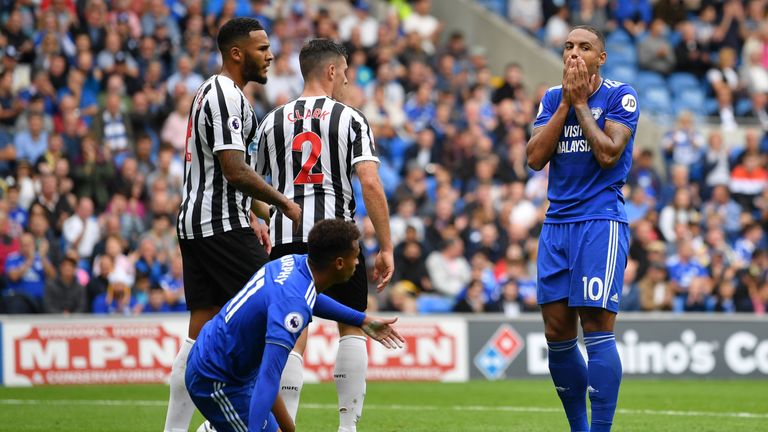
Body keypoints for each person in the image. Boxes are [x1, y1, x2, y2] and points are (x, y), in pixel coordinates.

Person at [164, 17, 302, 432]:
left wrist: (254, 214)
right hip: (217, 227)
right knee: (276, 317)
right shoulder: (224, 94)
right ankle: (263, 425)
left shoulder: (220, 93)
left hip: (203, 224)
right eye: (262, 48)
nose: (271, 55)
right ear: (236, 53)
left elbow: (229, 176)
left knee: (199, 332)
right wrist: (283, 204)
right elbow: (234, 169)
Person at [254, 39, 393, 431]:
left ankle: (286, 424)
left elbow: (246, 182)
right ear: (332, 71)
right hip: (338, 240)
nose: (347, 79)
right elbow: (370, 181)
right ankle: (348, 427)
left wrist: (262, 218)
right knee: (351, 327)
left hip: (286, 240)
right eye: (345, 71)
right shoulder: (350, 119)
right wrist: (386, 245)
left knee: (293, 333)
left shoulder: (272, 121)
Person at [185, 219, 403, 432]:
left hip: (226, 361)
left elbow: (311, 298)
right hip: (217, 381)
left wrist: (363, 320)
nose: (357, 263)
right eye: (355, 257)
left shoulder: (294, 264)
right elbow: (269, 376)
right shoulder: (292, 309)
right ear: (338, 263)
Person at [526, 25, 639, 432]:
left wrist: (582, 106)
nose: (574, 53)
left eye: (584, 47)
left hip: (600, 221)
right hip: (557, 224)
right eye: (569, 46)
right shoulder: (553, 98)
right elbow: (535, 158)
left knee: (595, 327)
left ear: (600, 58)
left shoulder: (620, 96)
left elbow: (609, 154)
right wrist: (565, 106)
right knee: (556, 332)